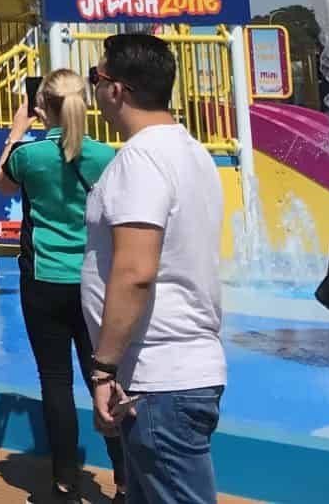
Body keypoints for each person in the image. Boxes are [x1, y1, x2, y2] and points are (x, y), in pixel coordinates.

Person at [82, 34, 225, 504]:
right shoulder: (191, 151)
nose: (93, 88)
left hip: (159, 378)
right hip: (174, 374)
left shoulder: (140, 160)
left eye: (96, 77)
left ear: (115, 89)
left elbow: (135, 270)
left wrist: (103, 369)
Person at [0, 68, 126, 501]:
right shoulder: (106, 156)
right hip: (93, 283)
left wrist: (17, 131)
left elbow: (1, 185)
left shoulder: (29, 156)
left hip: (44, 280)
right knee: (103, 377)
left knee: (55, 380)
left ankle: (65, 480)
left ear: (42, 107)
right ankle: (125, 477)